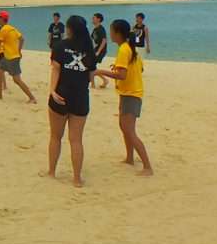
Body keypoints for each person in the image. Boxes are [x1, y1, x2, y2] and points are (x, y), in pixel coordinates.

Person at [41, 15, 96, 187]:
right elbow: (90, 76)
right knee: (76, 140)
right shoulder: (89, 49)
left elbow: (55, 70)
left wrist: (52, 91)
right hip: (80, 97)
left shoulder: (60, 46)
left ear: (70, 29)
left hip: (61, 95)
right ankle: (77, 179)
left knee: (55, 137)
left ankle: (51, 171)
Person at [97, 19, 153, 177]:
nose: (110, 34)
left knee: (129, 130)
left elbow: (122, 75)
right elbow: (139, 69)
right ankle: (129, 158)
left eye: (111, 31)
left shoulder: (124, 49)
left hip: (132, 95)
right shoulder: (129, 48)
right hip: (128, 93)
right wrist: (118, 69)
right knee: (124, 127)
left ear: (118, 33)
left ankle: (147, 167)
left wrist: (99, 72)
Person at [0, 11, 36, 104]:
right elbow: (22, 39)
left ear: (2, 19)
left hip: (12, 58)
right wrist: (19, 50)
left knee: (16, 80)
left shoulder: (4, 29)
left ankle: (32, 98)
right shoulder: (12, 28)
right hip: (7, 56)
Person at [91, 13, 109, 89]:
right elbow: (91, 39)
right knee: (91, 66)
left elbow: (104, 40)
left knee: (91, 67)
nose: (92, 19)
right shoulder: (95, 29)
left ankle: (93, 84)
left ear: (98, 19)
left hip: (101, 50)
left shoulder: (101, 29)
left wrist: (98, 51)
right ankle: (104, 80)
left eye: (94, 17)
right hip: (95, 49)